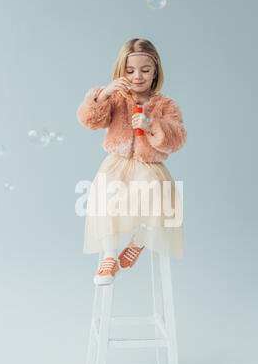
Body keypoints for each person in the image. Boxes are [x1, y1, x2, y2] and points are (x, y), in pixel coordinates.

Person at [77, 38, 187, 285]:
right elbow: (89, 120)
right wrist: (104, 93)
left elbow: (177, 138)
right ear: (121, 72)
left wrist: (152, 126)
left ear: (155, 71)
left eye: (145, 70)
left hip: (149, 166)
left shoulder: (165, 105)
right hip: (118, 163)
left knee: (155, 193)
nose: (137, 76)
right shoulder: (116, 99)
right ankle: (109, 256)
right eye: (130, 70)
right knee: (106, 193)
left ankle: (140, 240)